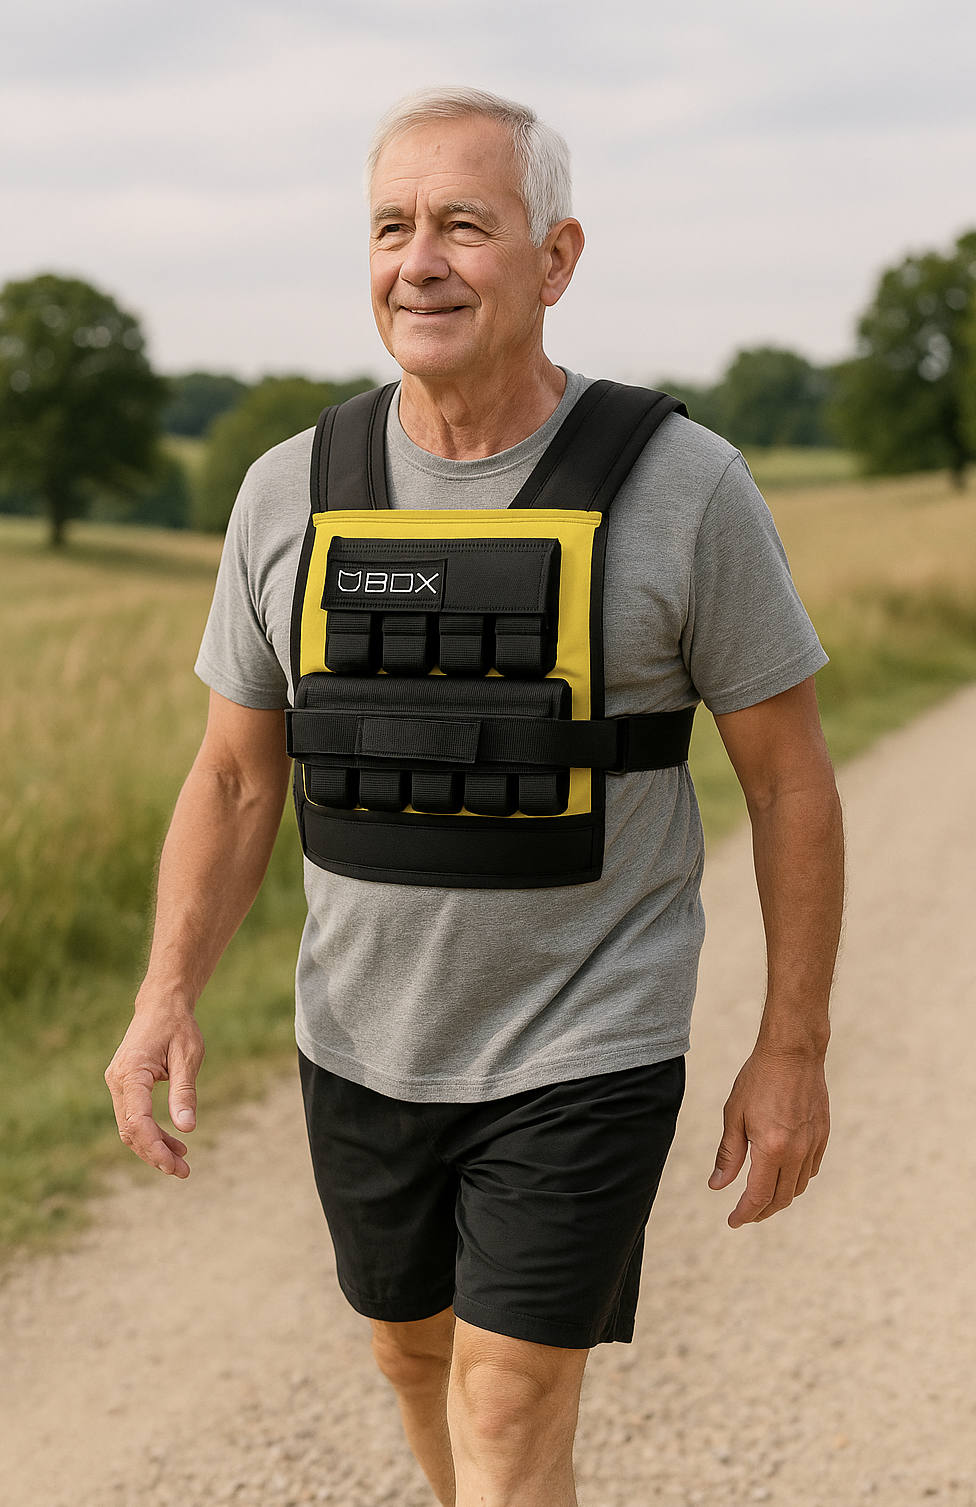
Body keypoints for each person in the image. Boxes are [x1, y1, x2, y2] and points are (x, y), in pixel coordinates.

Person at [105, 86, 844, 1507]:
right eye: (392, 227)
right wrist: (163, 993)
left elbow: (793, 780)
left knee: (510, 1399)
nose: (420, 261)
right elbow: (235, 774)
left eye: (463, 225)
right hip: (362, 1036)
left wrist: (793, 1045)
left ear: (555, 260)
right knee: (411, 1350)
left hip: (585, 1040)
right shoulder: (289, 494)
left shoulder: (683, 488)